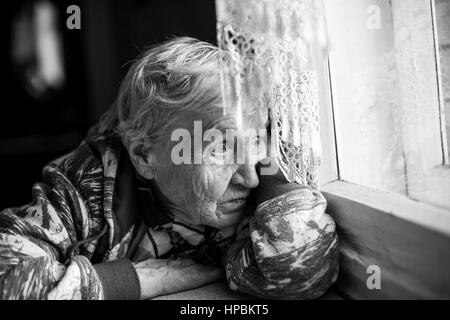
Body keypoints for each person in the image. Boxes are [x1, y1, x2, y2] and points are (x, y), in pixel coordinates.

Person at [0, 37, 339, 300]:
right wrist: (141, 279)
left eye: (254, 141)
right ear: (145, 155)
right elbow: (11, 283)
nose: (249, 177)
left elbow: (300, 271)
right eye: (220, 147)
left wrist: (275, 174)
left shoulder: (248, 196)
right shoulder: (86, 186)